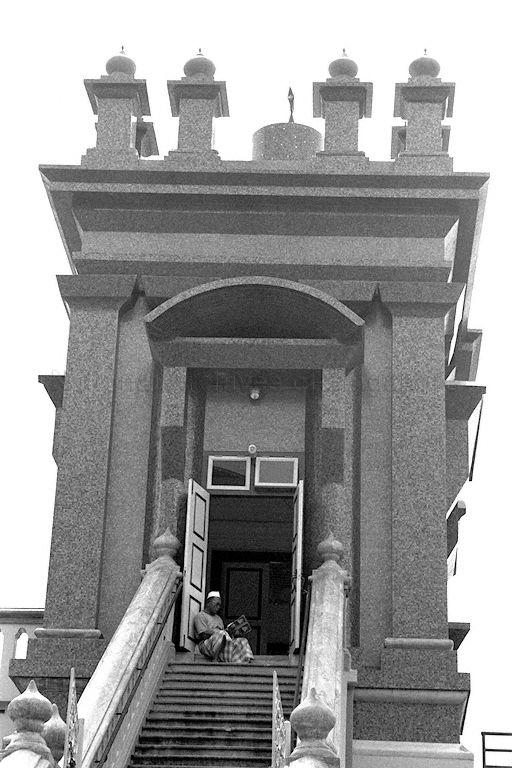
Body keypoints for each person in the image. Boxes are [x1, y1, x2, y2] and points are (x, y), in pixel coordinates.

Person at [193, 591, 254, 663]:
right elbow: (203, 634)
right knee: (221, 634)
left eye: (219, 605)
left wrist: (230, 631)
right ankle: (215, 659)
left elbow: (224, 636)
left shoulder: (219, 619)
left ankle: (245, 662)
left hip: (221, 644)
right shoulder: (200, 616)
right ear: (209, 603)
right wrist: (218, 632)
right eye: (217, 604)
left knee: (242, 640)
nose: (218, 607)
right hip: (206, 646)